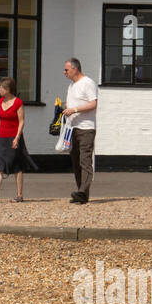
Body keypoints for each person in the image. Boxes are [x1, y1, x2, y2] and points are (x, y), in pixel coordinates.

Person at [0, 77, 35, 202]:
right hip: (2, 137)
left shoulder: (18, 102)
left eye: (1, 87)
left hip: (14, 137)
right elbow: (0, 121)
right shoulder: (1, 101)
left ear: (8, 89)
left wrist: (17, 137)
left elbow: (22, 122)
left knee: (17, 166)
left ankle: (19, 195)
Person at [63, 58, 98, 204]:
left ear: (75, 69)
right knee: (76, 161)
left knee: (85, 161)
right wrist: (64, 107)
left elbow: (93, 104)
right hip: (72, 128)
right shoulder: (71, 85)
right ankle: (81, 193)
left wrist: (74, 109)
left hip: (86, 128)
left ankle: (82, 192)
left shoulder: (88, 83)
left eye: (66, 69)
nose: (64, 72)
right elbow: (74, 103)